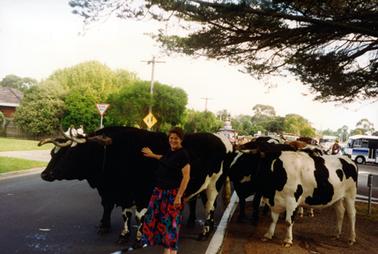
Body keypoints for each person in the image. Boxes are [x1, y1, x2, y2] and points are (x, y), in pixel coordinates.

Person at [140, 127, 191, 254]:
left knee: (171, 227)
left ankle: (171, 252)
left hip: (172, 195)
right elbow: (166, 159)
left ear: (181, 140)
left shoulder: (183, 154)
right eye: (171, 138)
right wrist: (153, 155)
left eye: (176, 138)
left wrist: (179, 196)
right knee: (158, 223)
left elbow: (186, 177)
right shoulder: (170, 152)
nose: (173, 140)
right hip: (160, 193)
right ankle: (166, 250)